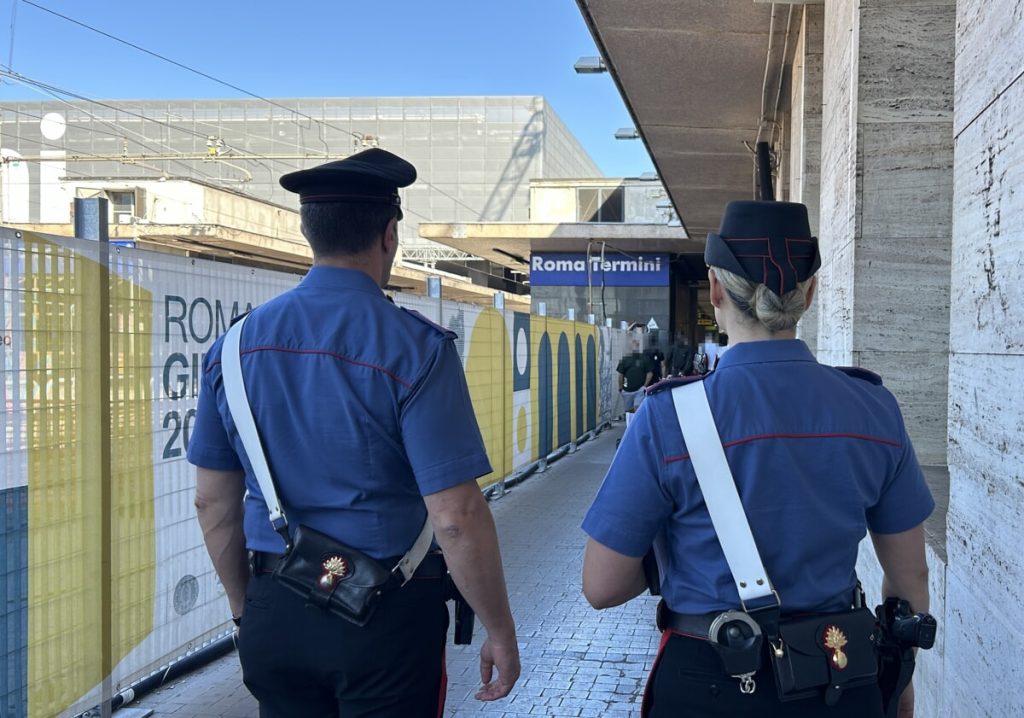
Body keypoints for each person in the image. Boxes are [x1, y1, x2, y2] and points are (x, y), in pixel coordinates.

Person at [188, 148, 520, 717]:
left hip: (273, 607)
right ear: (389, 234)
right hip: (385, 617)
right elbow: (456, 517)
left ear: (306, 230)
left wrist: (249, 612)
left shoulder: (234, 349)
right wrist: (499, 630)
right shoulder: (416, 349)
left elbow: (211, 503)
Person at [581, 200, 932, 718]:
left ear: (716, 290)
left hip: (708, 683)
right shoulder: (873, 408)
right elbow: (911, 580)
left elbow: (602, 586)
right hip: (839, 673)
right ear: (809, 293)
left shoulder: (668, 416)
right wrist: (898, 684)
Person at [616, 338, 654, 412]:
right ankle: (630, 423)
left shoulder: (644, 358)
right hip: (627, 390)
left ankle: (637, 423)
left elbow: (650, 373)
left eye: (636, 346)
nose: (635, 348)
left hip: (639, 390)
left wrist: (644, 386)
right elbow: (621, 374)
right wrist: (621, 387)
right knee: (628, 411)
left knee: (638, 409)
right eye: (633, 346)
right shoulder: (625, 359)